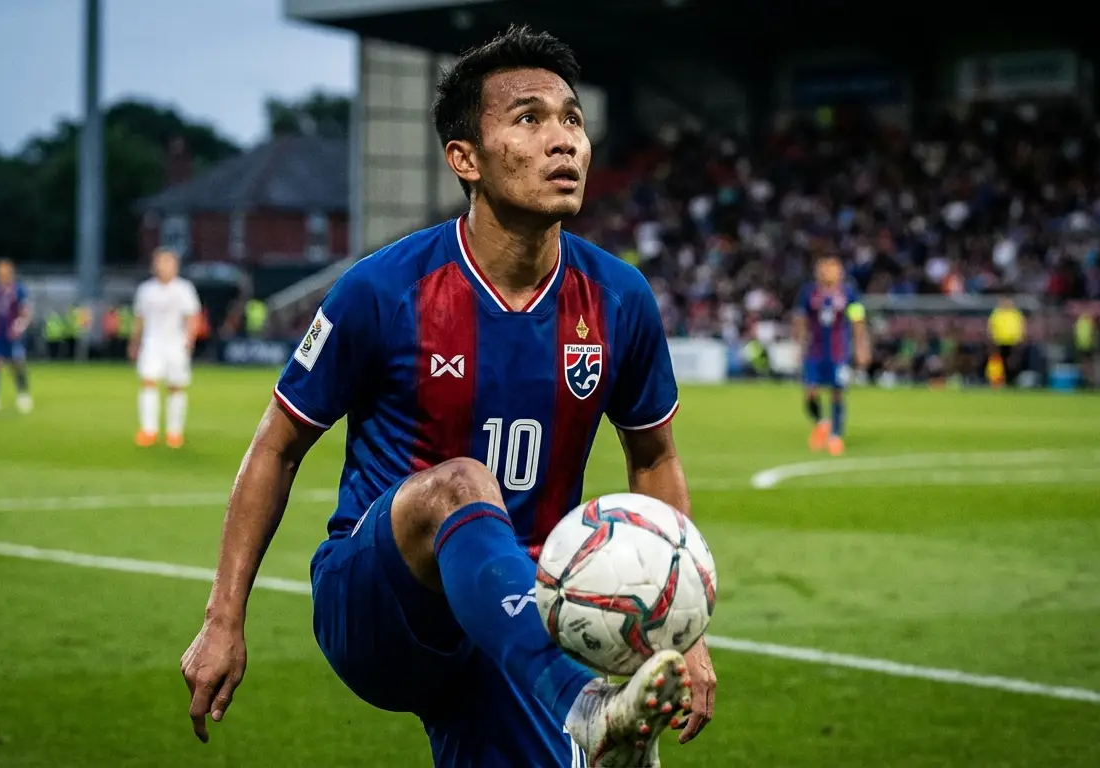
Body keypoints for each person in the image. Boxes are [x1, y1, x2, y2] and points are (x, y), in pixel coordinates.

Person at [179, 26, 716, 768]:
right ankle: (579, 705)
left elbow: (653, 456)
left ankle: (578, 720)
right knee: (460, 485)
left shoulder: (619, 299)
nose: (564, 141)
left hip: (516, 620)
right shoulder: (382, 290)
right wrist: (222, 618)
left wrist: (682, 635)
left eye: (572, 119)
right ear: (464, 158)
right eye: (529, 119)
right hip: (377, 606)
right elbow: (277, 444)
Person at [792, 256, 869, 456]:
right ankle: (822, 423)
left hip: (838, 352)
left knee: (837, 392)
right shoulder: (809, 292)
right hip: (814, 350)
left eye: (833, 269)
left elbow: (858, 321)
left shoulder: (848, 293)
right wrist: (798, 345)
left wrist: (861, 347)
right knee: (810, 391)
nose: (828, 272)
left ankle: (835, 437)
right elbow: (800, 318)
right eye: (824, 269)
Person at [130, 248, 201, 448]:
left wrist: (190, 340)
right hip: (152, 343)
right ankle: (148, 430)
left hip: (175, 344)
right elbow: (139, 319)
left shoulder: (184, 289)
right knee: (148, 383)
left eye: (168, 262)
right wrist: (134, 342)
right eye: (160, 262)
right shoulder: (146, 289)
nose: (163, 267)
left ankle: (174, 432)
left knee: (176, 387)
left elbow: (192, 317)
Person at [0, 258, 33, 414]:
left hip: (12, 334)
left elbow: (26, 312)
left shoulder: (19, 290)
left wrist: (19, 326)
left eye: (5, 272)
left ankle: (23, 395)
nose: (2, 275)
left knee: (16, 364)